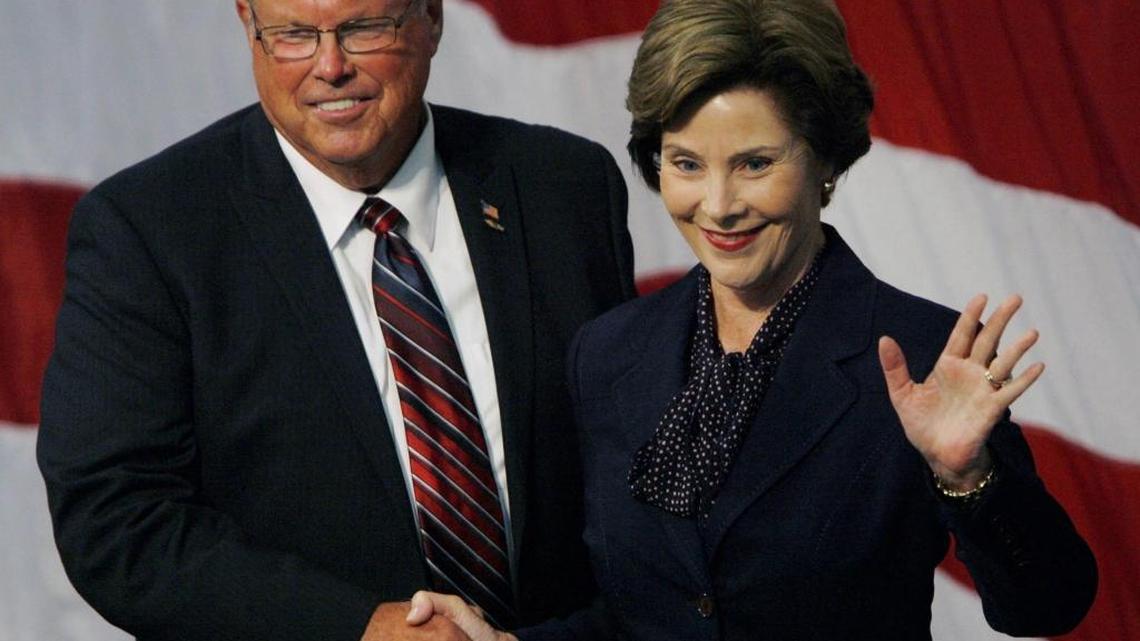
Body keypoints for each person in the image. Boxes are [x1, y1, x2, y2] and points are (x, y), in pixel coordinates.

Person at [406, 0, 1098, 639]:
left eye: (755, 163)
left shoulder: (923, 354)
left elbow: (1049, 604)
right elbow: (635, 617)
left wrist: (968, 474)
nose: (718, 204)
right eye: (685, 163)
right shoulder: (611, 352)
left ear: (824, 160)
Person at [36, 0, 634, 639]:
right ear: (248, 25)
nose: (329, 67)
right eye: (293, 34)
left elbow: (635, 472)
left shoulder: (562, 184)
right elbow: (116, 521)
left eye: (363, 28)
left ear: (430, 18)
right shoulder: (150, 230)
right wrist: (360, 630)